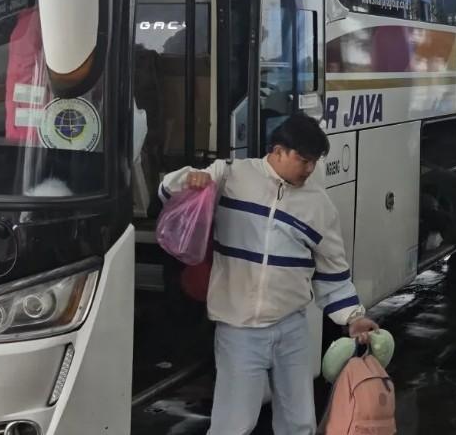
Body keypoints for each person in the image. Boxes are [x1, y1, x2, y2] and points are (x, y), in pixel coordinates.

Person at [159, 114, 378, 434]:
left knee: (299, 422)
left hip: (291, 328)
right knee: (232, 425)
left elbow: (333, 271)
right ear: (277, 151)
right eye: (303, 160)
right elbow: (169, 192)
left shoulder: (319, 207)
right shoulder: (230, 176)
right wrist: (188, 179)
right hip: (239, 329)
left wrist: (353, 317)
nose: (309, 169)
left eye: (314, 162)